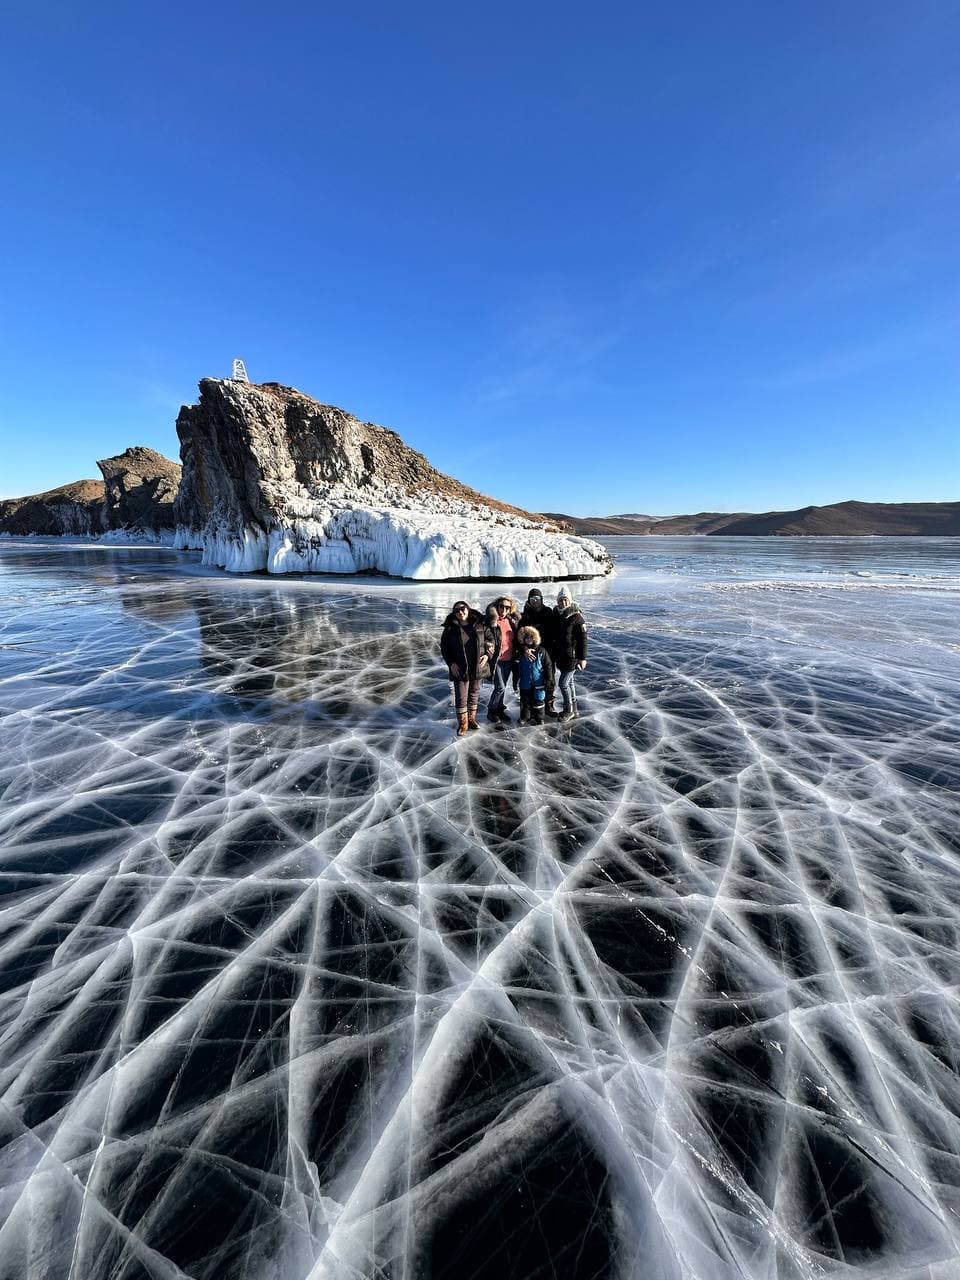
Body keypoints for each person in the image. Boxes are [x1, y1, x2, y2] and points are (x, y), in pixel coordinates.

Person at [440, 601, 495, 736]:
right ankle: (463, 724)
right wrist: (451, 663)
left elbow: (491, 640)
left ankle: (471, 720)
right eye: (456, 610)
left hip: (477, 666)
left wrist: (487, 656)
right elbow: (445, 648)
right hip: (460, 667)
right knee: (461, 697)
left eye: (462, 608)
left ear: (468, 609)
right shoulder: (450, 629)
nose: (460, 612)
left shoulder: (480, 624)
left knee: (474, 694)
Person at [520, 588, 559, 717]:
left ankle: (548, 704)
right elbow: (519, 636)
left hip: (548, 652)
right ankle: (532, 708)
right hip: (531, 653)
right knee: (533, 680)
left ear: (541, 599)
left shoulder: (548, 612)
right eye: (532, 599)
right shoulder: (525, 615)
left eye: (537, 599)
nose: (535, 601)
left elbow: (560, 623)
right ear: (529, 600)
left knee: (549, 678)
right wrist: (524, 649)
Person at [553, 587, 588, 721]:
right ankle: (575, 709)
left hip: (572, 657)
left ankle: (568, 710)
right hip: (561, 656)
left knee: (563, 684)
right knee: (570, 683)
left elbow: (583, 639)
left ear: (570, 600)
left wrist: (582, 658)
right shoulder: (558, 615)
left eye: (566, 600)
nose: (563, 602)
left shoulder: (577, 617)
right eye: (561, 600)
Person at [486, 596, 519, 723]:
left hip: (509, 658)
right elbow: (482, 635)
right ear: (497, 606)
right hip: (497, 660)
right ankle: (491, 710)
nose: (504, 609)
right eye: (501, 606)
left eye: (507, 607)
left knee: (503, 686)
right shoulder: (492, 620)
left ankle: (499, 709)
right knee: (500, 687)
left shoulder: (510, 621)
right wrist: (486, 644)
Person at [515, 625, 555, 725]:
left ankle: (539, 717)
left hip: (539, 680)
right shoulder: (520, 652)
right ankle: (525, 717)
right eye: (526, 637)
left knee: (539, 699)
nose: (529, 639)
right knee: (525, 700)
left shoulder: (541, 651)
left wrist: (549, 679)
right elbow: (516, 668)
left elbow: (548, 665)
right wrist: (515, 680)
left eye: (531, 637)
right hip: (525, 681)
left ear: (535, 638)